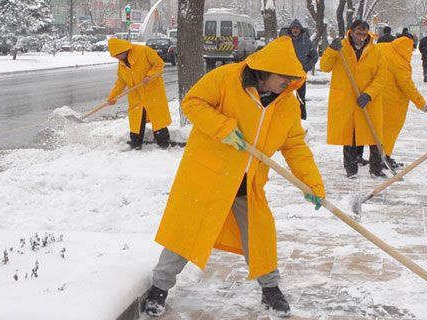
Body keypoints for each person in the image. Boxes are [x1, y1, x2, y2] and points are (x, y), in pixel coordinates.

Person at [141, 36, 326, 317]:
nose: (288, 84)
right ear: (265, 70)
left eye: (292, 79)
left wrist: (311, 183)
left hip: (247, 181)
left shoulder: (286, 103)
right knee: (186, 233)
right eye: (284, 78)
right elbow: (193, 102)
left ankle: (270, 289)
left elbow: (295, 146)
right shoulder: (227, 78)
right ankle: (159, 288)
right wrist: (223, 127)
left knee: (260, 235)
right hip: (209, 175)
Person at [320, 19, 388, 178]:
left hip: (368, 100)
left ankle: (376, 169)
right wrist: (331, 50)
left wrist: (369, 94)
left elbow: (381, 76)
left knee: (374, 134)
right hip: (347, 100)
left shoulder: (375, 51)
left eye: (365, 34)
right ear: (351, 31)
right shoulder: (340, 48)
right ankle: (351, 169)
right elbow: (324, 66)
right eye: (359, 33)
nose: (362, 37)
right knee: (349, 135)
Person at [106, 38, 171, 150]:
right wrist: (112, 97)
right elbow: (120, 83)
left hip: (152, 93)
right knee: (137, 120)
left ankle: (163, 142)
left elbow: (159, 64)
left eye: (117, 55)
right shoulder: (121, 65)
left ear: (123, 51)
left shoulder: (144, 51)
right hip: (136, 97)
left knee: (157, 118)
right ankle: (136, 143)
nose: (117, 58)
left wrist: (149, 76)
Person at [377, 37, 427, 169]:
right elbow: (407, 85)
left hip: (374, 96)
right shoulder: (399, 61)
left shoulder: (383, 48)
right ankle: (384, 158)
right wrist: (420, 102)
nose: (411, 54)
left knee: (377, 130)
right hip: (392, 102)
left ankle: (375, 157)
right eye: (411, 51)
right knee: (390, 130)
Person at [285, 19, 319, 120]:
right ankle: (287, 118)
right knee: (285, 98)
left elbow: (315, 56)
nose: (295, 30)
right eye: (293, 28)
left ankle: (302, 119)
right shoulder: (285, 40)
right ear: (290, 30)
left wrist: (306, 67)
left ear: (300, 30)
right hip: (286, 74)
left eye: (297, 28)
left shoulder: (306, 41)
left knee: (300, 98)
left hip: (300, 75)